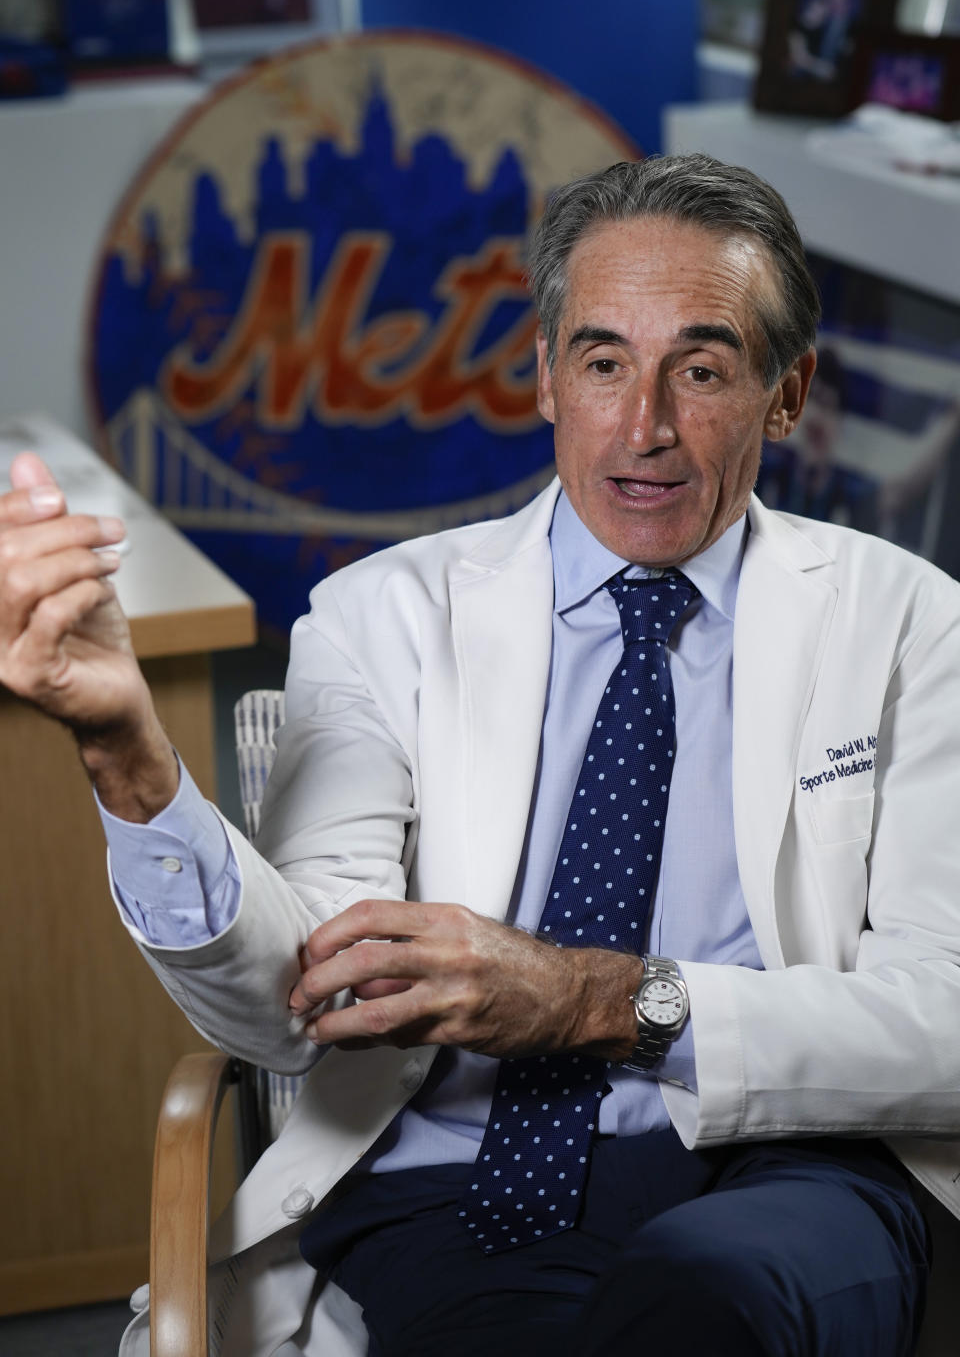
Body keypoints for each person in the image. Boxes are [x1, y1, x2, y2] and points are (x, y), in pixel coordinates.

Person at [1, 154, 958, 1357]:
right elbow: (294, 1008)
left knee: (711, 1296)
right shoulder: (378, 618)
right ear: (548, 378)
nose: (645, 426)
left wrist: (593, 1000)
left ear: (786, 392)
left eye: (701, 371)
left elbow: (948, 1022)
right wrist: (126, 753)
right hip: (469, 1181)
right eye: (604, 362)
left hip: (787, 1163)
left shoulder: (914, 623)